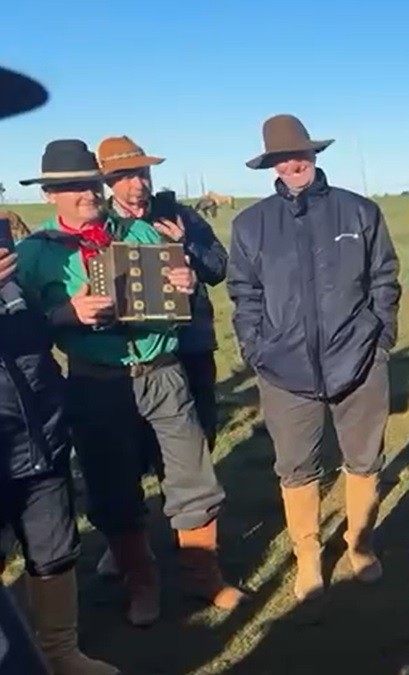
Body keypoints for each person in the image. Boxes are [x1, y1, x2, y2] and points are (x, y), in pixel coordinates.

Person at [15, 139, 243, 628]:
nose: (85, 194)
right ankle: (142, 583)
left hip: (162, 372)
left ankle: (203, 575)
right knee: (113, 488)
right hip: (97, 384)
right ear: (50, 196)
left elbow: (178, 305)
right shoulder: (35, 256)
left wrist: (184, 284)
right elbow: (23, 328)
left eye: (90, 184)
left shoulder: (140, 232)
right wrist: (66, 313)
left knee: (193, 476)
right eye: (71, 188)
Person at [226, 114, 400, 601]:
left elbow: (384, 278)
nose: (293, 163)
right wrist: (257, 350)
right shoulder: (250, 224)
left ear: (315, 155)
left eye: (299, 154)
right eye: (282, 158)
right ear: (271, 166)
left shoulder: (359, 212)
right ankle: (308, 556)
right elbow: (244, 294)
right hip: (283, 370)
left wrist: (381, 339)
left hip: (360, 361)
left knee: (364, 459)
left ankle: (360, 545)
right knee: (296, 468)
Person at [0, 64, 118, 675]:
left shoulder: (8, 251)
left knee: (53, 544)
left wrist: (57, 315)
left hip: (37, 421)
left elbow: (28, 329)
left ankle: (60, 651)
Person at [92, 135, 228, 581]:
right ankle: (129, 545)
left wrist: (186, 245)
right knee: (129, 453)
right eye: (125, 177)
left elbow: (217, 267)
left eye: (142, 174)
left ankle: (190, 534)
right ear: (108, 182)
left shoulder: (179, 215)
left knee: (196, 441)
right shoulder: (102, 225)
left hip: (189, 348)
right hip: (130, 356)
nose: (137, 185)